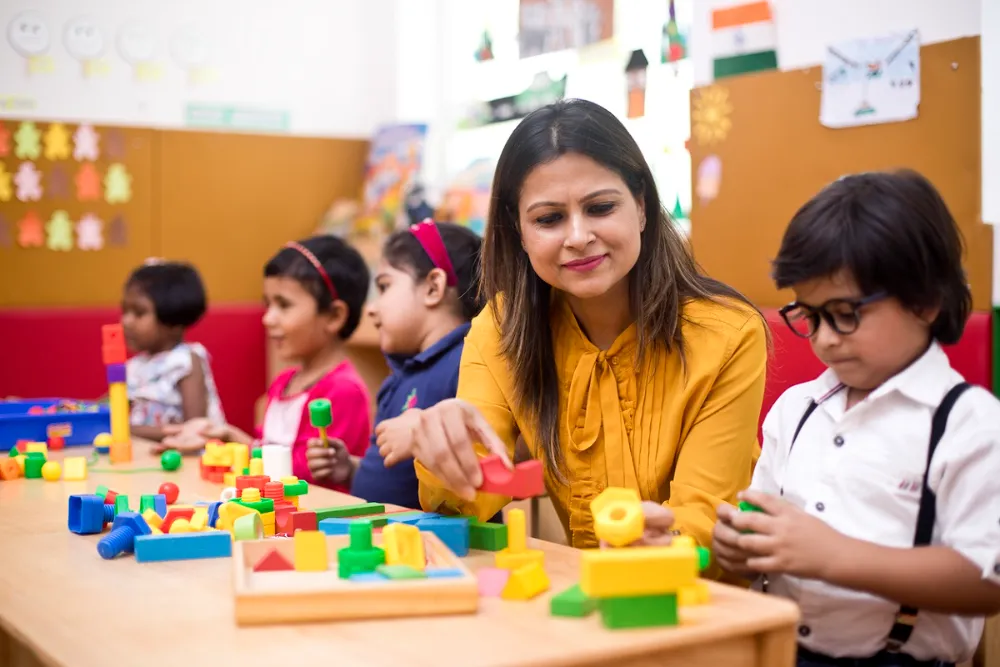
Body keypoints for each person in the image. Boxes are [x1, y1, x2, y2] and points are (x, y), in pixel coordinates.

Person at [380, 99, 768, 558]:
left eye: (600, 207)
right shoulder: (501, 328)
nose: (579, 237)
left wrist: (665, 542)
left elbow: (703, 521)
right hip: (583, 589)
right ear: (519, 232)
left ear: (641, 206)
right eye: (549, 219)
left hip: (700, 592)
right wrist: (446, 450)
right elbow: (467, 504)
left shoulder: (728, 333)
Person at [712, 170, 1000, 667]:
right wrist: (738, 549)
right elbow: (764, 534)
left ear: (925, 301)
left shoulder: (969, 424)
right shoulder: (796, 410)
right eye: (810, 316)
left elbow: (986, 580)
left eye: (845, 313)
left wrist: (832, 556)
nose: (824, 338)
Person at [161, 236, 372, 492]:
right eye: (267, 304)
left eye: (284, 305)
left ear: (334, 316)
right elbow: (265, 450)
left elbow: (307, 476)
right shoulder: (284, 382)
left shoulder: (343, 390)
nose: (268, 318)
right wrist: (220, 437)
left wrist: (234, 437)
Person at [305, 220, 484, 508]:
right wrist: (351, 469)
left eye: (384, 287)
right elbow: (396, 479)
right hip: (384, 532)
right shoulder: (400, 377)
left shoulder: (468, 362)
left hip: (436, 537)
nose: (372, 308)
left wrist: (421, 433)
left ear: (433, 287)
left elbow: (485, 454)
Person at [121, 260, 225, 442]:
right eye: (124, 311)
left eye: (139, 313)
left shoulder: (185, 361)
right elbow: (107, 405)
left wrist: (125, 429)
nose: (126, 321)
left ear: (173, 321)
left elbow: (195, 429)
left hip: (184, 455)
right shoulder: (134, 366)